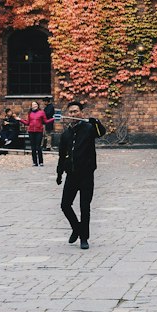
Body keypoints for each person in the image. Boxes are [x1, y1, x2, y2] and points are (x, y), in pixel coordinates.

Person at [57, 98, 105, 247]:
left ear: (80, 113)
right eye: (71, 111)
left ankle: (84, 238)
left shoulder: (89, 128)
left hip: (86, 174)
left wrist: (95, 121)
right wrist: (59, 173)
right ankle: (76, 228)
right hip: (71, 174)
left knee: (85, 207)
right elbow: (61, 155)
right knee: (65, 205)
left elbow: (101, 133)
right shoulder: (65, 134)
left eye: (76, 111)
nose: (73, 113)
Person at [26, 100, 47, 166]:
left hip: (39, 131)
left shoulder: (41, 112)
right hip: (31, 131)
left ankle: (41, 162)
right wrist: (20, 119)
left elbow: (45, 121)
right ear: (31, 106)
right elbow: (27, 123)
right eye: (33, 105)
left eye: (35, 104)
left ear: (37, 105)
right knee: (33, 148)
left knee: (38, 147)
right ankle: (34, 162)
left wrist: (53, 119)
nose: (34, 106)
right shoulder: (30, 113)